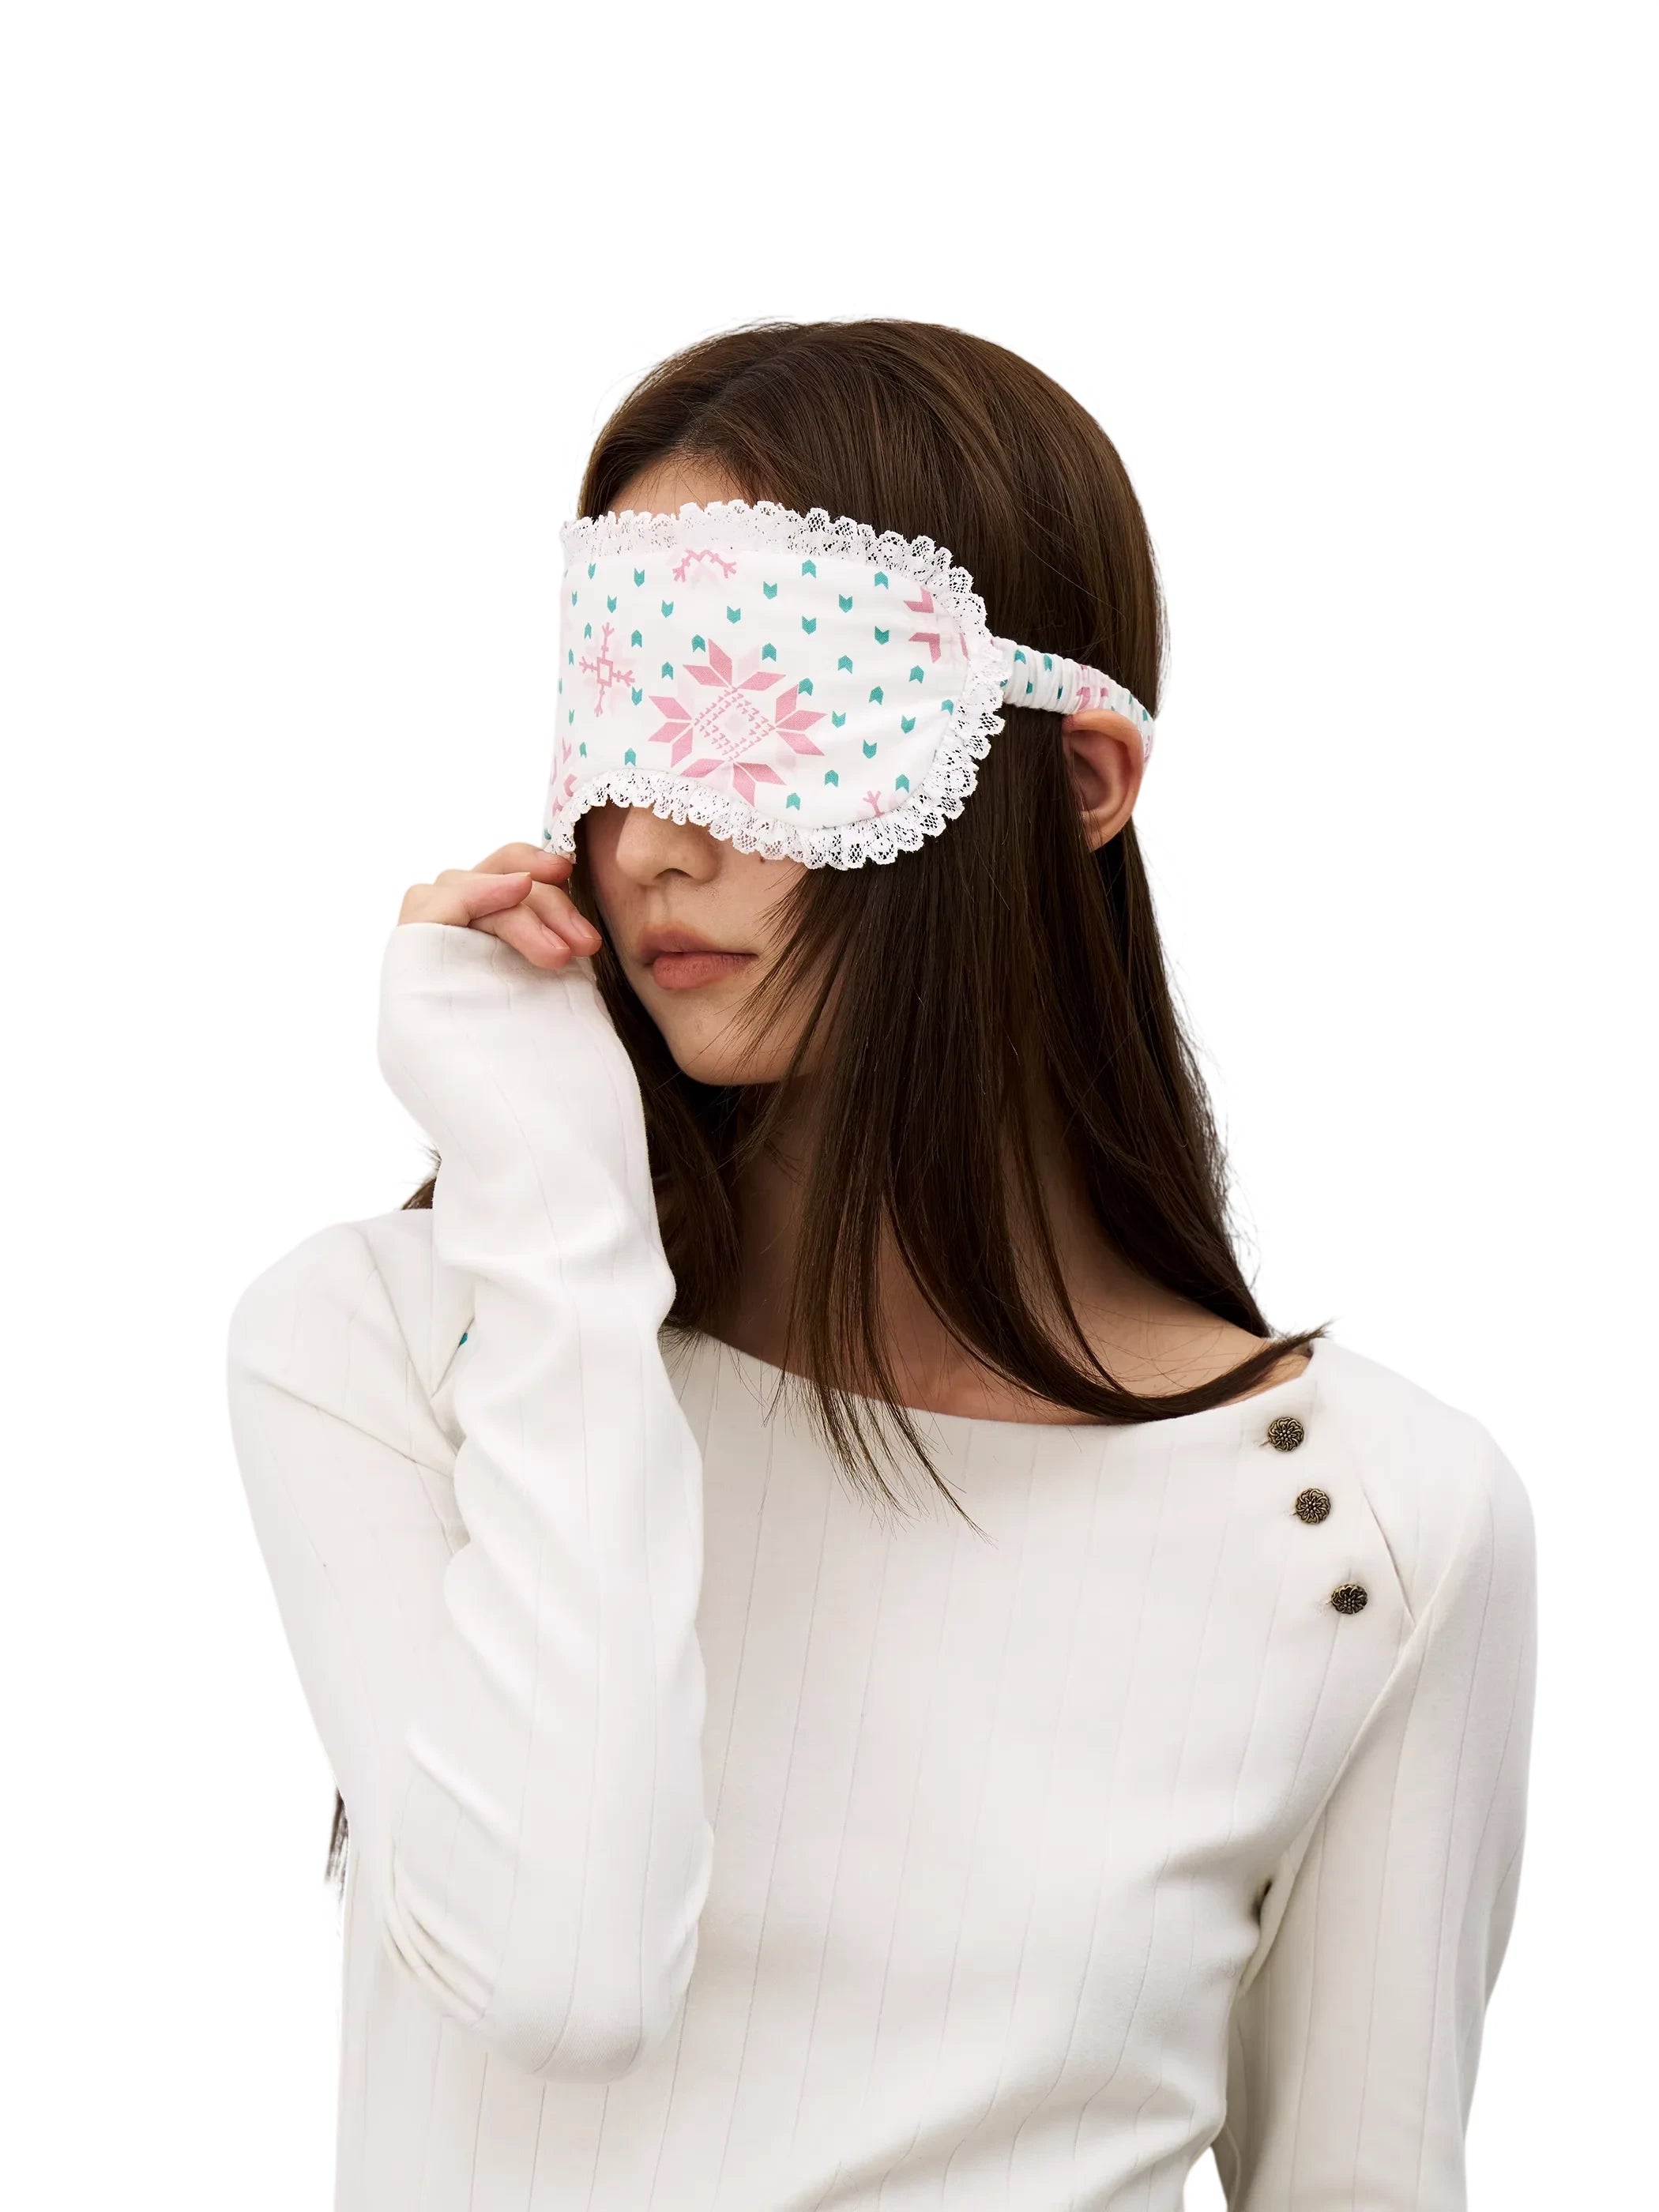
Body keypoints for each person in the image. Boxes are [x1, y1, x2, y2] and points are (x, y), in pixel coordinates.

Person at [225, 318, 1537, 2211]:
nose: (653, 837)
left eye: (767, 706)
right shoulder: (391, 1346)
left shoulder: (1371, 1528)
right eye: (620, 719)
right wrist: (556, 1210)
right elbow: (567, 1972)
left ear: (1079, 779)